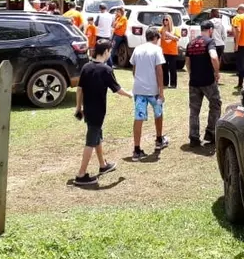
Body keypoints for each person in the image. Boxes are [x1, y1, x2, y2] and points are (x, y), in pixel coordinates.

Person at [73, 39, 133, 186]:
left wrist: (78, 108)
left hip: (88, 110)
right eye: (110, 51)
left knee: (97, 136)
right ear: (106, 51)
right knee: (91, 141)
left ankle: (103, 165)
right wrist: (130, 94)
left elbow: (79, 89)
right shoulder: (106, 70)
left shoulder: (86, 67)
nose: (110, 54)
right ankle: (81, 175)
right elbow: (117, 89)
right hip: (98, 111)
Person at [130, 28, 168, 161]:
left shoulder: (137, 49)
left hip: (139, 90)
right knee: (158, 113)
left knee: (138, 118)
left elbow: (134, 70)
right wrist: (161, 91)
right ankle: (159, 139)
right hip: (153, 91)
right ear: (156, 38)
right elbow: (159, 71)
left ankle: (136, 148)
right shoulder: (157, 50)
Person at [186, 20, 222, 147]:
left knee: (194, 110)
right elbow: (213, 56)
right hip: (208, 81)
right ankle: (211, 133)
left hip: (194, 82)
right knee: (216, 104)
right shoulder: (209, 42)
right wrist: (217, 72)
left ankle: (194, 137)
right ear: (210, 30)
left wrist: (191, 74)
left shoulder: (191, 43)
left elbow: (187, 62)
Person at [159, 14, 180, 89]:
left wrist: (168, 34)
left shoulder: (175, 29)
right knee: (164, 68)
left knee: (173, 69)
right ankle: (165, 83)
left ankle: (173, 84)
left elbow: (177, 38)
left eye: (166, 20)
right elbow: (162, 36)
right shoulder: (161, 29)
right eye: (164, 20)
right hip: (164, 52)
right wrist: (171, 36)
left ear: (170, 20)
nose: (165, 21)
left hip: (172, 52)